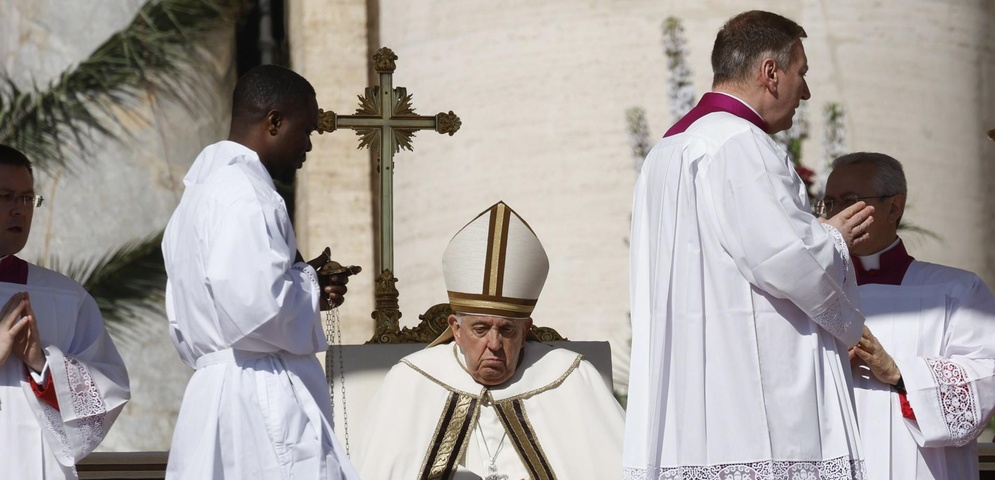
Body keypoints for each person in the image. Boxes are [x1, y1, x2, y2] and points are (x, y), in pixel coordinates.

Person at [623, 10, 878, 479]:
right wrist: (835, 238)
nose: (805, 92)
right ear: (770, 73)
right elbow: (785, 260)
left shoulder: (666, 152)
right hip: (755, 405)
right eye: (801, 74)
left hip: (693, 405)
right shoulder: (741, 145)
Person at [162, 65, 359, 479]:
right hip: (259, 400)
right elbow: (257, 310)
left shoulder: (195, 201)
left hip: (214, 396)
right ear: (274, 121)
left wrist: (303, 280)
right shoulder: (247, 194)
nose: (307, 146)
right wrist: (310, 288)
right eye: (305, 130)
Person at [353, 201, 625, 480]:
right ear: (456, 329)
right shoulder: (410, 381)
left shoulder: (571, 378)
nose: (494, 344)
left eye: (506, 330)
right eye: (480, 329)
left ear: (524, 331)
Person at [823, 152, 995, 479]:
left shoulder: (956, 290)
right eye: (829, 203)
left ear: (894, 207)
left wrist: (900, 372)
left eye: (850, 201)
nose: (837, 215)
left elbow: (986, 375)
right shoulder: (812, 291)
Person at [0, 144, 130, 479]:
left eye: (27, 198)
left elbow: (106, 397)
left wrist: (42, 366)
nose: (20, 210)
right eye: (6, 196)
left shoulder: (64, 296)